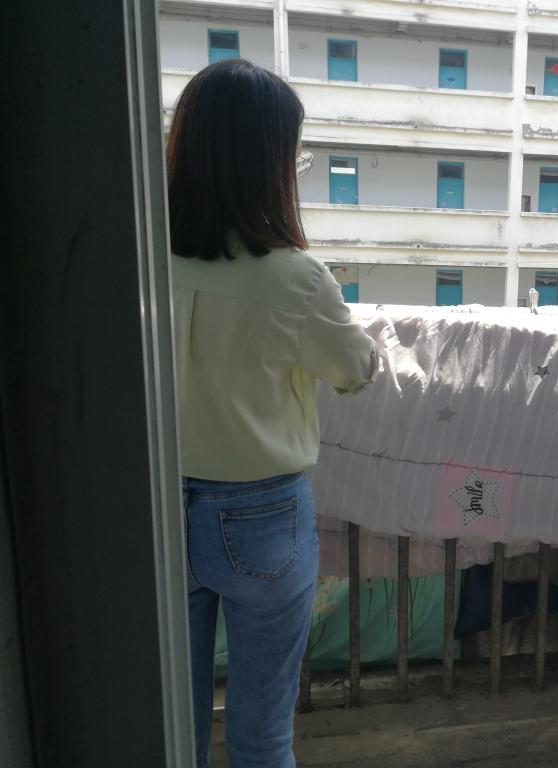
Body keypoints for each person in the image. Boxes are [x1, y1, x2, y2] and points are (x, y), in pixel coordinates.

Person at [167, 59, 379, 768]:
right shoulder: (295, 278)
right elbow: (356, 372)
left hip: (155, 507)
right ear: (268, 163)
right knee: (261, 734)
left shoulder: (137, 258)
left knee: (170, 728)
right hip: (261, 517)